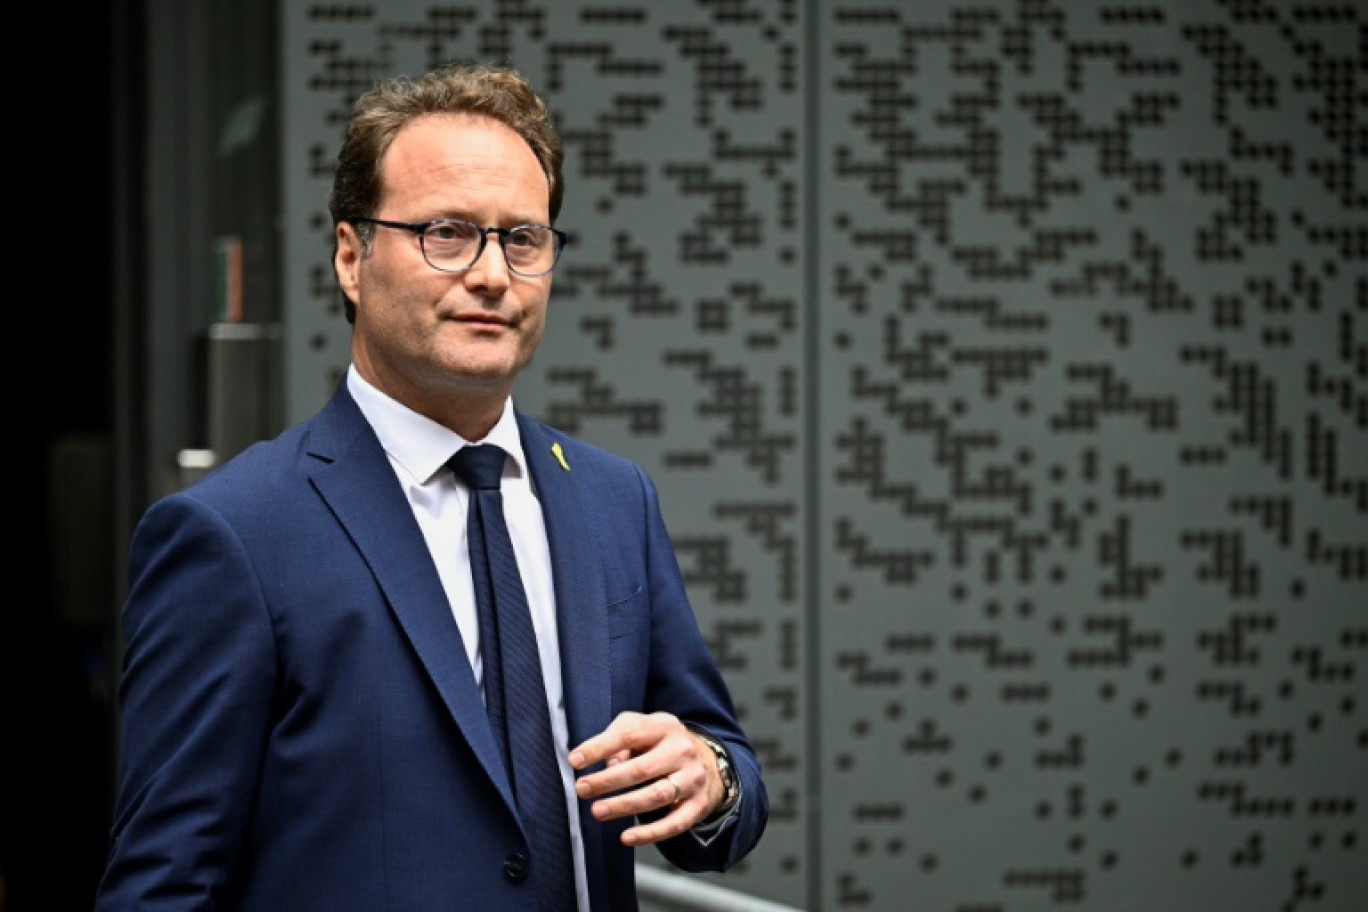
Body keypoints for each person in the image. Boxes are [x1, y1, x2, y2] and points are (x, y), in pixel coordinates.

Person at [95, 61, 768, 911]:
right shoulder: (233, 535)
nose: (492, 274)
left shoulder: (611, 500)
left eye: (522, 238)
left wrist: (711, 777)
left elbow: (727, 776)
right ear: (352, 256)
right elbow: (162, 887)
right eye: (447, 232)